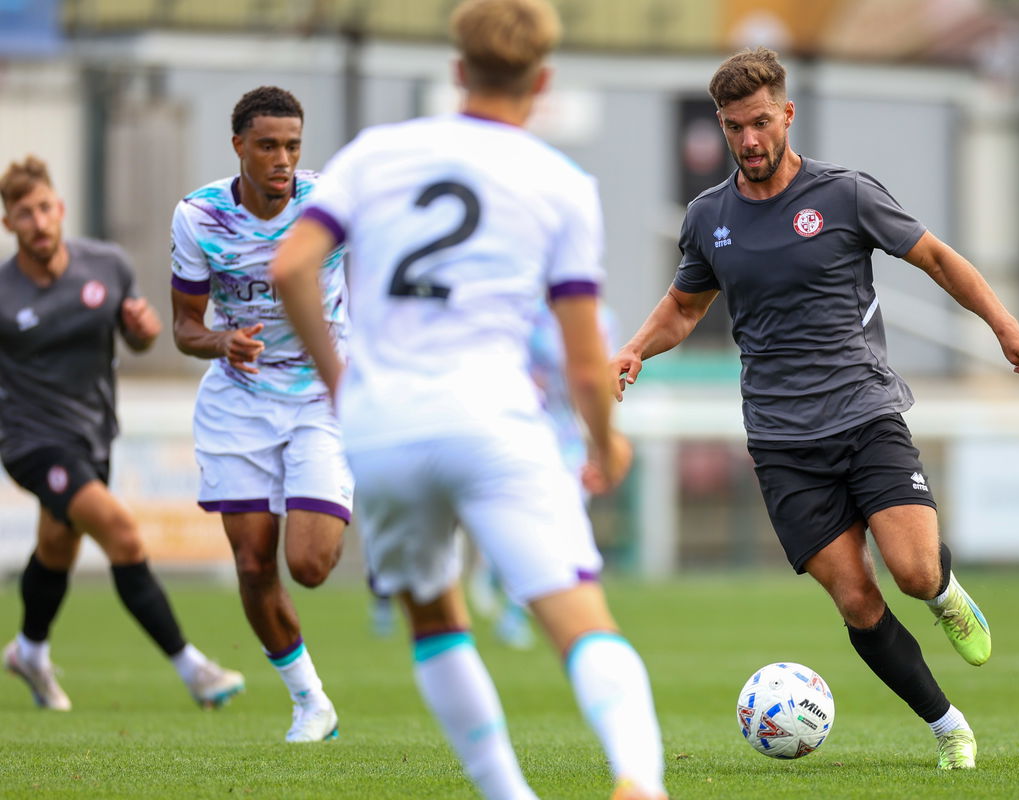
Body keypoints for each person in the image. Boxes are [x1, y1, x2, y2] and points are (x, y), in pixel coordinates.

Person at [272, 1, 667, 798]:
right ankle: (638, 779)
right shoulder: (561, 184)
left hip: (383, 425)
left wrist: (343, 384)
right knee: (580, 620)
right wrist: (605, 444)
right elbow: (583, 358)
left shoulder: (376, 153)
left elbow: (289, 268)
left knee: (433, 619)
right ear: (542, 82)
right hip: (490, 417)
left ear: (458, 71)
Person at [611, 47, 1019, 771]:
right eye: (732, 127)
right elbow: (684, 308)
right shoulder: (708, 217)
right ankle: (949, 729)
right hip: (782, 443)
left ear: (786, 114)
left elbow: (937, 259)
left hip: (865, 414)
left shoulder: (845, 195)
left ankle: (943, 593)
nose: (748, 139)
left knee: (912, 572)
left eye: (759, 122)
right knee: (857, 600)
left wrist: (1005, 326)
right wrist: (634, 349)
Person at [0, 155, 244, 712]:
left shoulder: (107, 266)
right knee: (123, 535)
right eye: (24, 214)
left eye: (44, 208)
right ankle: (194, 669)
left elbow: (135, 339)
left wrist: (142, 332)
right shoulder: (4, 293)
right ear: (8, 223)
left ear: (60, 208)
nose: (38, 222)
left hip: (93, 434)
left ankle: (30, 651)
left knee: (57, 546)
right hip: (31, 442)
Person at [169, 86, 351, 743]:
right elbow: (185, 327)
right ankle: (311, 703)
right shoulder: (199, 216)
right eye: (268, 146)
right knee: (252, 564)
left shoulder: (329, 204)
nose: (283, 160)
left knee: (310, 564)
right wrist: (222, 341)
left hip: (319, 398)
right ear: (239, 145)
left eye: (293, 146)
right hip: (239, 402)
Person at [465, 299, 618, 650]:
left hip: (569, 436)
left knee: (564, 522)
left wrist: (602, 438)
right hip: (527, 431)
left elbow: (600, 376)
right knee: (529, 522)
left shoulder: (603, 319)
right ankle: (509, 600)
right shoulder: (530, 315)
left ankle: (512, 599)